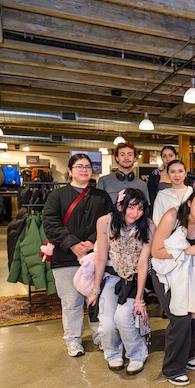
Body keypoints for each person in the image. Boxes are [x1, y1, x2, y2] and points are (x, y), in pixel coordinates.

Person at [43, 153, 112, 357]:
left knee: (96, 298)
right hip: (65, 257)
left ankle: (99, 334)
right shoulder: (57, 195)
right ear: (70, 170)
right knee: (71, 302)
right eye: (79, 166)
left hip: (95, 256)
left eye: (88, 166)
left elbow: (109, 222)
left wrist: (92, 241)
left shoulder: (102, 196)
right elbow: (50, 223)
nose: (84, 170)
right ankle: (73, 340)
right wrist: (72, 244)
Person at [150, 186, 195, 386]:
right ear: (189, 202)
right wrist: (188, 250)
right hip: (166, 272)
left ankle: (187, 354)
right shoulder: (173, 216)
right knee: (180, 318)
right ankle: (172, 368)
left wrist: (194, 293)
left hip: (189, 272)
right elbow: (156, 251)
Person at [90, 188, 154, 375]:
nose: (135, 213)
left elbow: (143, 264)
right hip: (112, 276)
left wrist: (140, 299)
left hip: (136, 279)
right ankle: (112, 353)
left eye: (140, 208)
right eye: (131, 207)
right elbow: (101, 258)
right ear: (120, 205)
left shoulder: (148, 225)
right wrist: (95, 290)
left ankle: (137, 354)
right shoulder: (105, 222)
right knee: (108, 322)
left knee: (124, 318)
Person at [152, 160, 194, 226]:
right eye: (172, 172)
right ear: (168, 174)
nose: (177, 175)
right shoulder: (162, 195)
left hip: (191, 234)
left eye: (180, 171)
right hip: (168, 234)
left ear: (185, 173)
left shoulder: (192, 192)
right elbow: (156, 220)